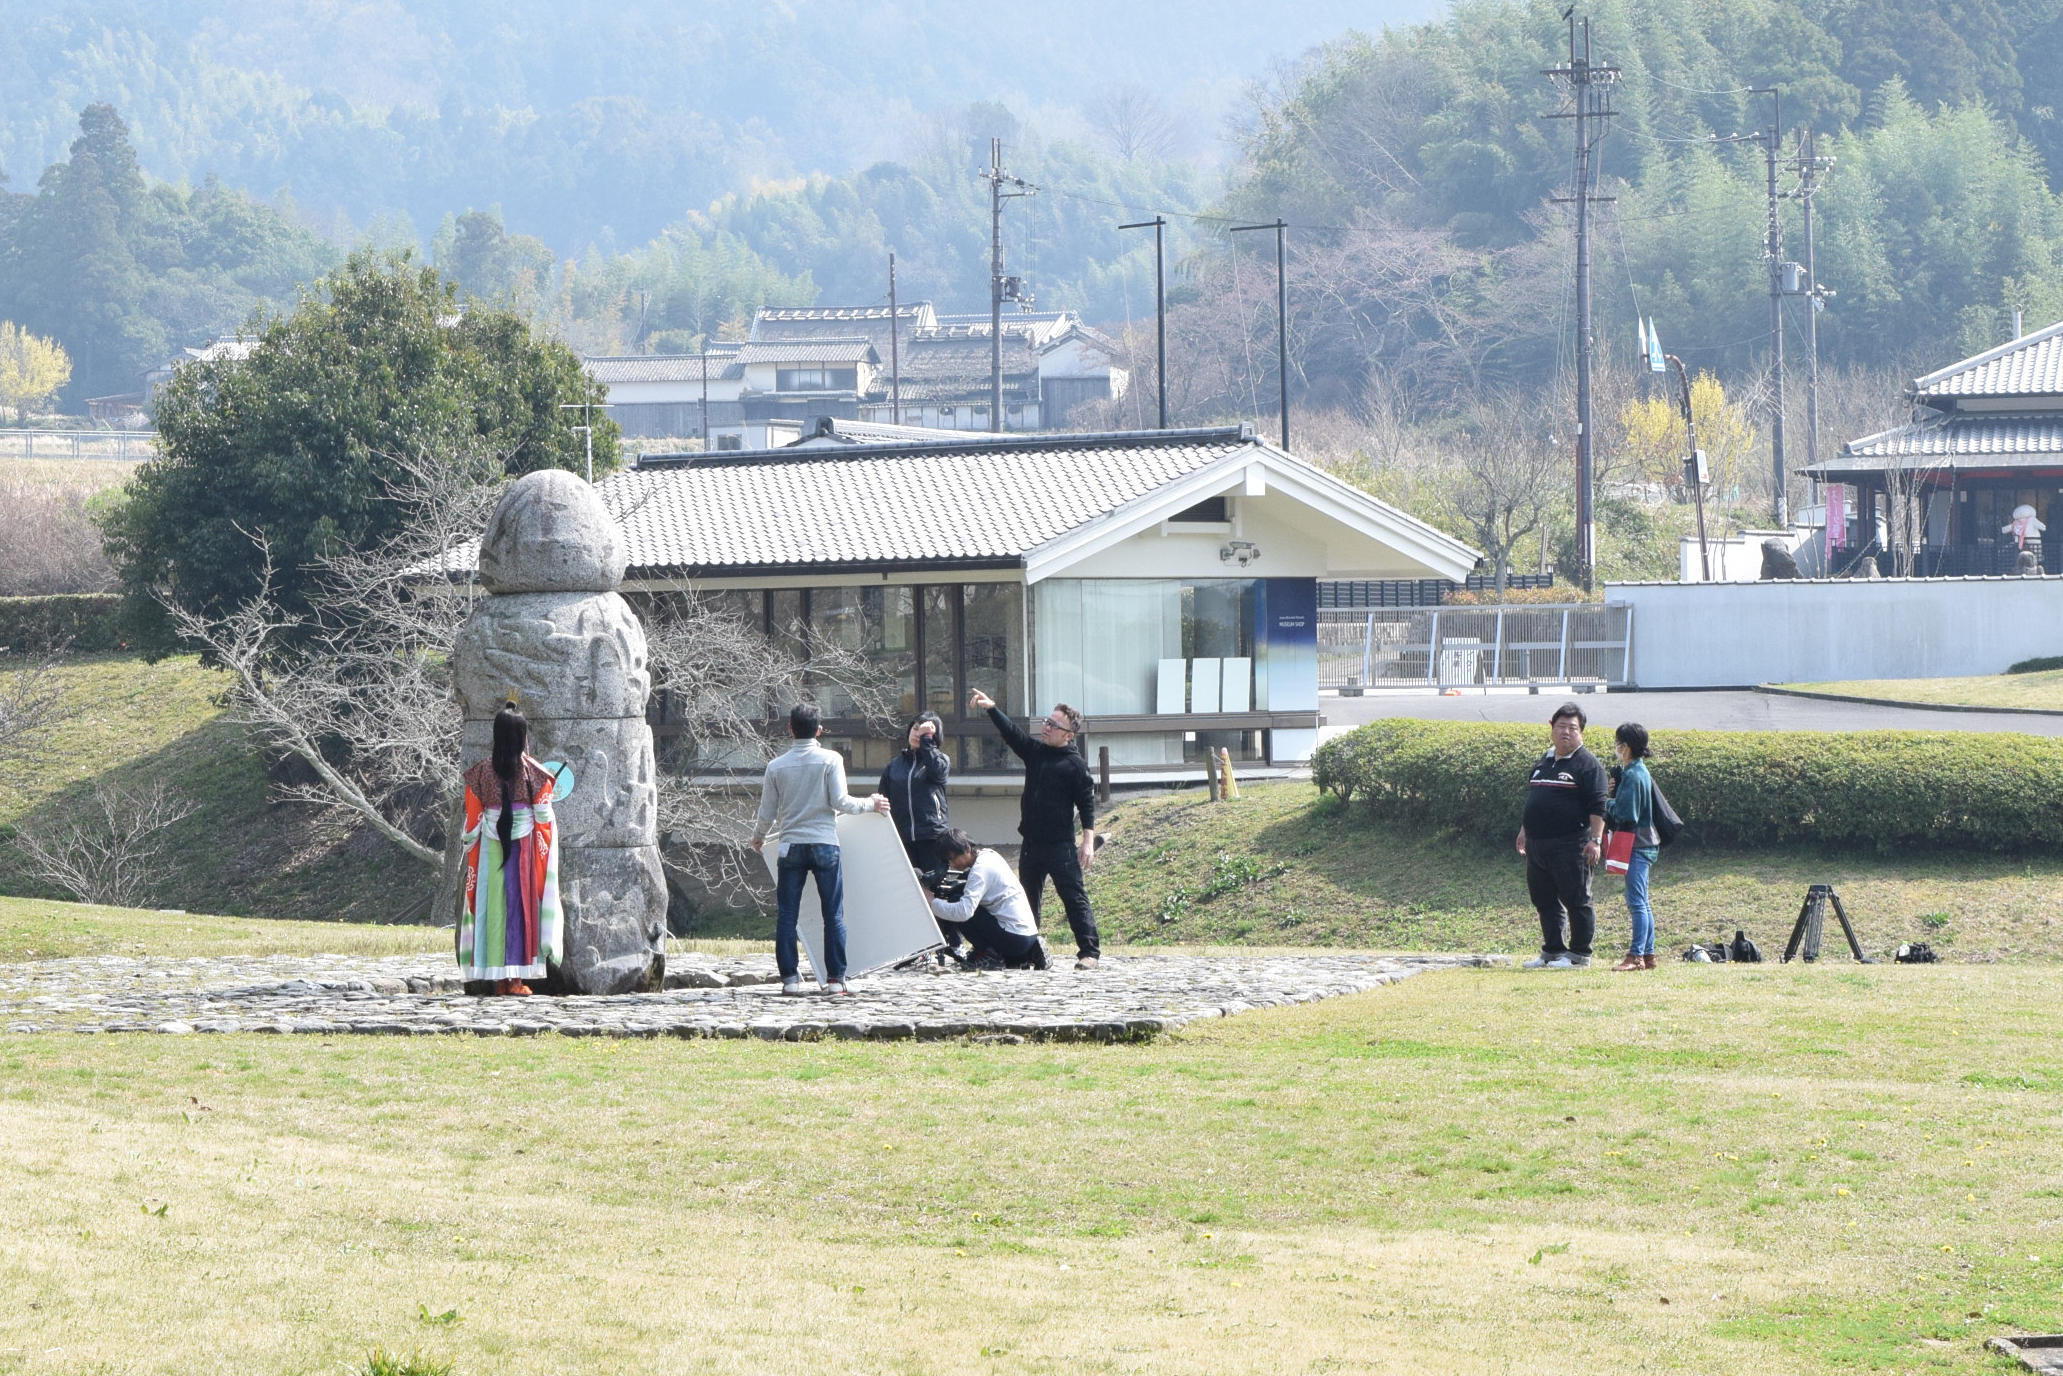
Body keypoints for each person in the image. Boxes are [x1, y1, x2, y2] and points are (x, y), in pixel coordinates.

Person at [750, 703, 889, 995]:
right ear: (819, 730)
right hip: (825, 844)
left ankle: (790, 980)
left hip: (790, 847)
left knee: (787, 915)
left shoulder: (776, 767)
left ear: (790, 729)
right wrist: (871, 803)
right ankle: (836, 980)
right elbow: (842, 802)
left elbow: (767, 811)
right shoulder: (831, 759)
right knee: (833, 915)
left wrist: (759, 837)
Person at [970, 688, 1101, 970]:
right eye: (1046, 721)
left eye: (1054, 725)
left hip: (1060, 846)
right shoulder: (1036, 753)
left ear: (1069, 734)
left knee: (1074, 898)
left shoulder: (1075, 765)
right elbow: (1012, 734)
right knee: (1026, 900)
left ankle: (1089, 952)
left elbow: (1087, 806)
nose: (1047, 727)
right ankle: (1028, 951)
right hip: (1031, 843)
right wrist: (992, 707)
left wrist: (1087, 842)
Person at [458, 701, 563, 996]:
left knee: (492, 910)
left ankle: (498, 978)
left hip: (490, 849)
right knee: (520, 908)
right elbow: (543, 815)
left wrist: (470, 845)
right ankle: (516, 979)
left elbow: (472, 820)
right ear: (522, 736)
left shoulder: (478, 773)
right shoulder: (536, 774)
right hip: (525, 850)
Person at [1515, 701, 1608, 969]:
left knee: (1576, 898)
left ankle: (1579, 955)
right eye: (1561, 726)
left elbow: (1598, 806)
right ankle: (1553, 951)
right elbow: (1535, 798)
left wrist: (1596, 840)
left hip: (1572, 843)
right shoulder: (1543, 761)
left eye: (1573, 728)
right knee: (1544, 899)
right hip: (1537, 844)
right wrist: (1524, 830)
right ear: (1551, 727)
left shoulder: (1588, 765)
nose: (1566, 732)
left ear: (1581, 732)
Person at [879, 711, 959, 952]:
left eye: (924, 731)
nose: (917, 734)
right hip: (904, 838)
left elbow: (938, 773)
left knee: (938, 890)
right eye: (915, 728)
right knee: (911, 893)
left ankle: (951, 944)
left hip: (932, 836)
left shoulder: (938, 760)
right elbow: (883, 799)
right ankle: (918, 947)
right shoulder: (894, 766)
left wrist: (928, 744)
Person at [921, 828, 1048, 969]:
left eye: (953, 858)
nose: (951, 864)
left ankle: (988, 955)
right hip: (1027, 934)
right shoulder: (989, 855)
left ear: (967, 848)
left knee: (956, 900)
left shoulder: (979, 871)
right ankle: (1029, 953)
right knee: (959, 893)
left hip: (1015, 939)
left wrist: (932, 902)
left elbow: (964, 912)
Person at [1605, 722, 1661, 972]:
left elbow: (1627, 812)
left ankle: (1635, 956)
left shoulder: (1633, 774)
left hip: (1637, 844)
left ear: (1625, 747)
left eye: (1618, 743)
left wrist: (1605, 802)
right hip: (1647, 843)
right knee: (1642, 901)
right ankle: (1648, 955)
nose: (1616, 747)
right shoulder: (1638, 770)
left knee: (1636, 902)